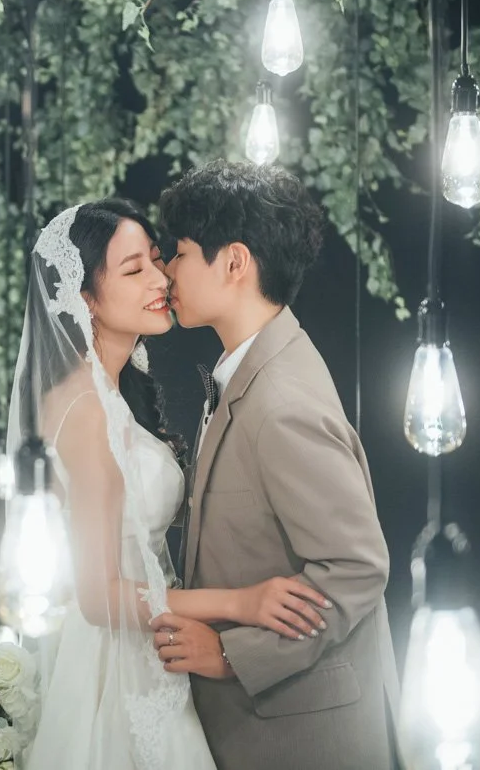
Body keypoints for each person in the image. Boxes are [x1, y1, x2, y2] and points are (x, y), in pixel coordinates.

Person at [9, 198, 329, 770]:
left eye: (158, 260)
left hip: (149, 648)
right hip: (115, 668)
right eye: (134, 270)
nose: (161, 279)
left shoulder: (112, 394)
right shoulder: (85, 410)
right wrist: (243, 603)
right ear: (85, 297)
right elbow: (98, 596)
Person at [151, 161, 400, 770]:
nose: (166, 270)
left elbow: (357, 568)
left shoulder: (281, 403)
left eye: (180, 253)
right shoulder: (257, 366)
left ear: (234, 262)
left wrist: (231, 655)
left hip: (303, 738)